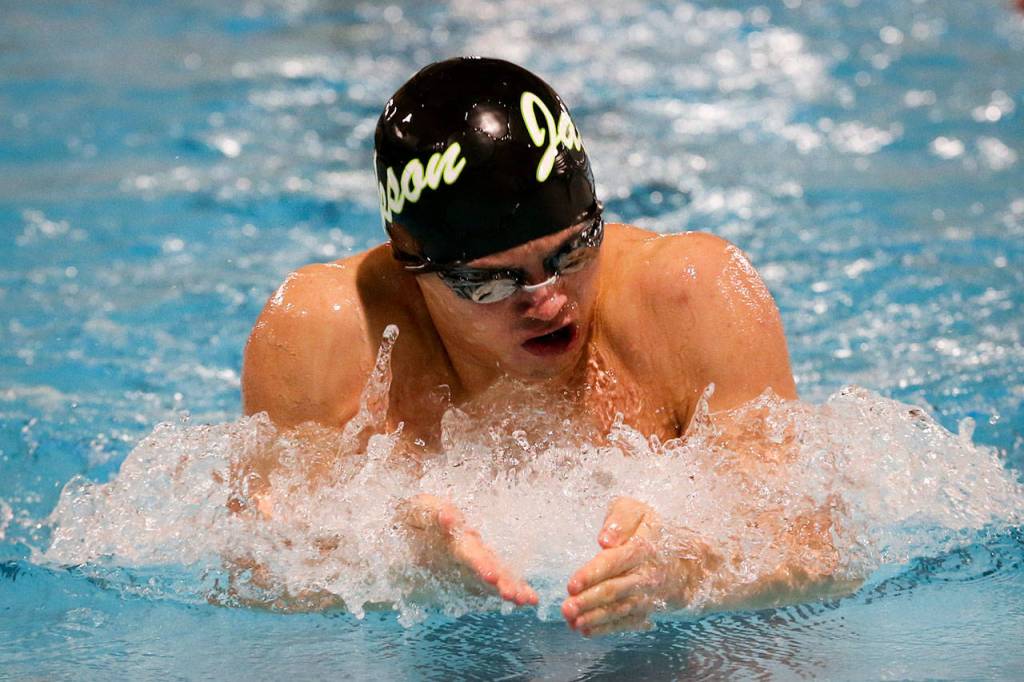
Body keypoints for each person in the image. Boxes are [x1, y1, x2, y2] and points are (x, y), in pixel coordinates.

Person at [241, 57, 847, 635]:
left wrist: (689, 569)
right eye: (492, 281)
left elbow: (815, 546)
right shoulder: (323, 330)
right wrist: (399, 558)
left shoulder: (694, 294)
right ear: (409, 260)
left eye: (573, 251)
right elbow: (251, 570)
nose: (550, 301)